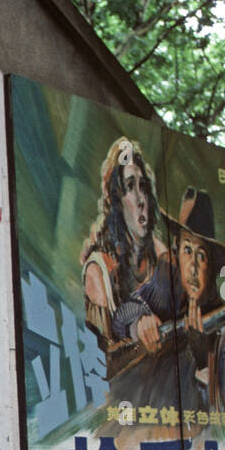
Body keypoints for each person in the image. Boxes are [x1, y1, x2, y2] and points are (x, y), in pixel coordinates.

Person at [112, 187, 225, 416]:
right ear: (177, 252)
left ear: (211, 267)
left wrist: (203, 363)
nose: (192, 267)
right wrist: (139, 322)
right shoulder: (164, 287)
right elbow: (122, 315)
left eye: (201, 256)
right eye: (187, 250)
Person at [80, 137, 167, 354]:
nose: (140, 199)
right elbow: (105, 361)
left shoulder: (161, 255)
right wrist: (137, 326)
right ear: (117, 200)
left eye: (143, 186)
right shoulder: (98, 271)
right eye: (129, 187)